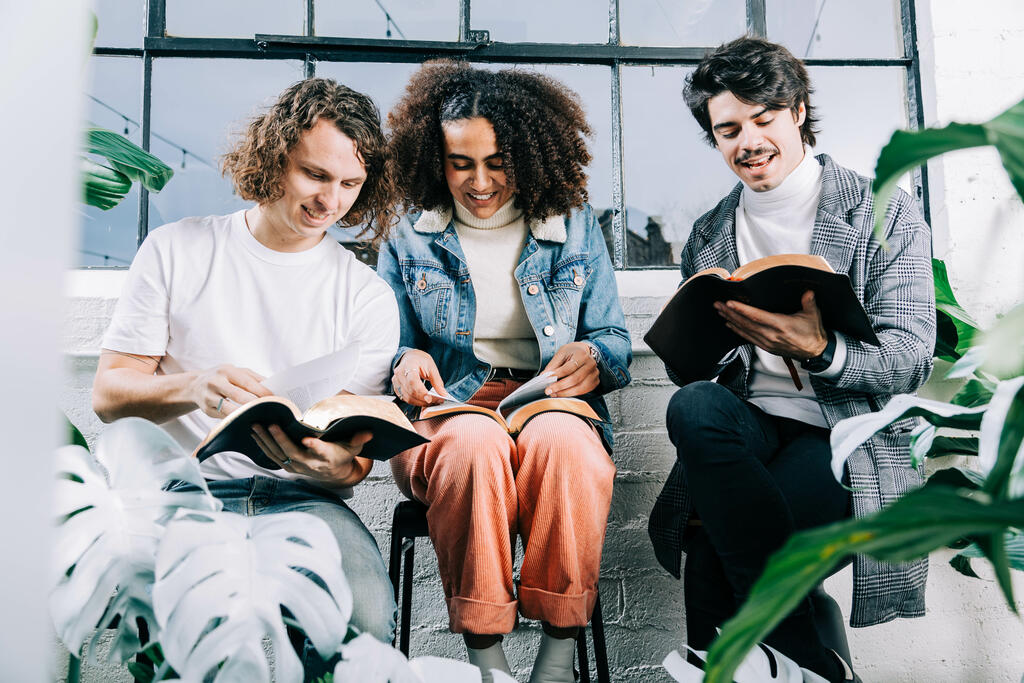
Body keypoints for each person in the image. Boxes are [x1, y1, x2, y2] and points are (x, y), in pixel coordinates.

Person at [646, 37, 935, 682]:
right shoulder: (711, 231)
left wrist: (819, 349)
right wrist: (699, 338)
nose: (747, 141)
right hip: (749, 425)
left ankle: (751, 658)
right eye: (727, 129)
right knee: (693, 404)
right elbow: (689, 372)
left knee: (717, 546)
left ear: (798, 110)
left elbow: (911, 355)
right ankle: (813, 660)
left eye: (763, 118)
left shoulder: (879, 211)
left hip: (844, 430)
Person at [91, 78, 400, 678]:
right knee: (177, 633)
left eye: (350, 184)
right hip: (186, 492)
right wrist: (194, 387)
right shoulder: (177, 249)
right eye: (315, 174)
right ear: (273, 158)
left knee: (364, 626)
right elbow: (108, 396)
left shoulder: (365, 294)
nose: (330, 201)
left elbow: (354, 462)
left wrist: (334, 467)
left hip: (308, 500)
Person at [377, 60, 631, 683]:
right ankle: (488, 667)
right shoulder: (408, 235)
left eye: (497, 161)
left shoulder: (573, 225)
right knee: (471, 444)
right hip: (453, 404)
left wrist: (594, 358)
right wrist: (402, 362)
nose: (480, 181)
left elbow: (614, 340)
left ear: (529, 154)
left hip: (549, 400)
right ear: (433, 159)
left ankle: (555, 661)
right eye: (460, 162)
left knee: (568, 449)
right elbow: (385, 352)